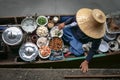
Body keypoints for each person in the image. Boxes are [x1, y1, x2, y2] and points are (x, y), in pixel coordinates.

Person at [58, 8, 106, 73]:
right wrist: (64, 23)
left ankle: (71, 43)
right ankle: (71, 43)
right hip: (71, 30)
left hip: (80, 41)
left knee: (79, 53)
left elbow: (93, 49)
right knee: (64, 27)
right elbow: (72, 19)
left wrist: (86, 61)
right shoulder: (83, 18)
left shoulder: (98, 35)